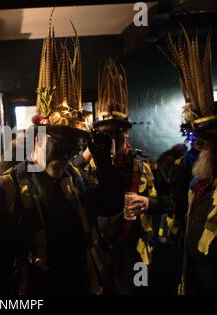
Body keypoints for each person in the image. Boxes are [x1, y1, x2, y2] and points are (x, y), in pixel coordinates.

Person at [0, 23, 123, 294]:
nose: (68, 151)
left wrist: (102, 159)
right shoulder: (8, 186)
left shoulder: (76, 178)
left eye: (74, 144)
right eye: (58, 142)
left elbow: (110, 204)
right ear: (37, 137)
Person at [75, 58, 168, 294]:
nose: (113, 140)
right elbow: (68, 177)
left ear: (127, 134)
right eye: (107, 135)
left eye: (118, 134)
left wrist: (148, 202)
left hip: (135, 254)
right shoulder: (90, 165)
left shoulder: (144, 164)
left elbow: (171, 202)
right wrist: (89, 152)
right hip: (99, 251)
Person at [166, 29, 217, 294]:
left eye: (204, 142)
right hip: (195, 276)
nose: (198, 147)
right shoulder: (199, 181)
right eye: (198, 141)